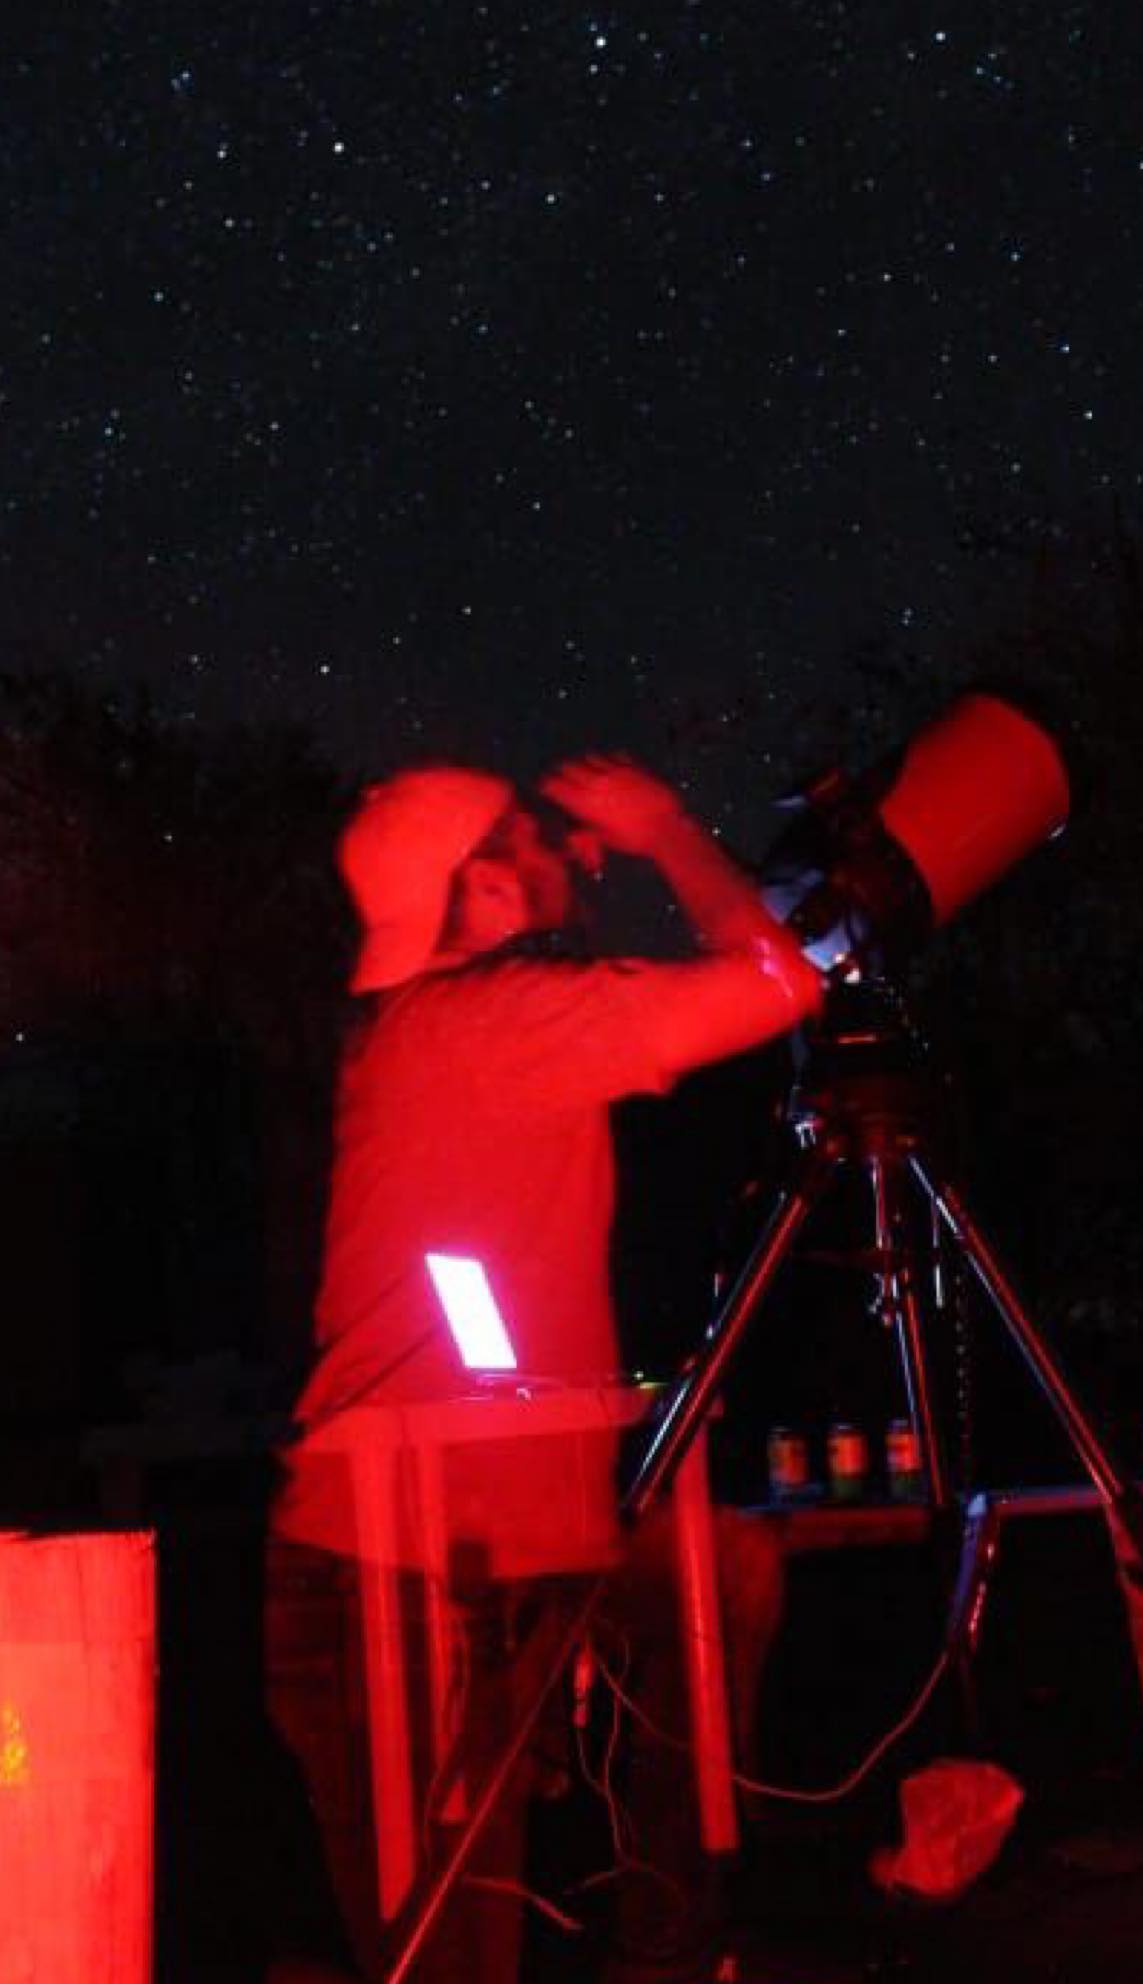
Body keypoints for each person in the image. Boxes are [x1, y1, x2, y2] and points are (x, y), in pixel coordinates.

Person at [264, 755, 824, 1983]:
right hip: (405, 1571)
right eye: (530, 837)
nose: (573, 852)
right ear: (473, 893)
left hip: (464, 1548)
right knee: (451, 1960)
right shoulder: (491, 1023)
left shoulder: (454, 1030)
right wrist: (669, 828)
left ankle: (674, 1945)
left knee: (716, 1571)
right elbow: (784, 980)